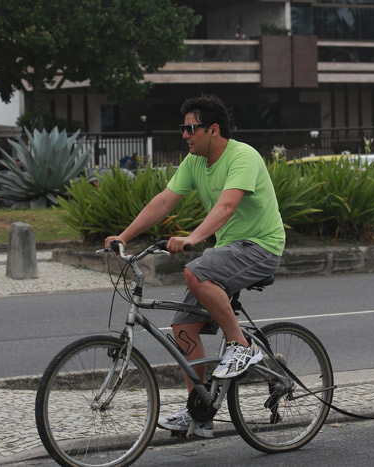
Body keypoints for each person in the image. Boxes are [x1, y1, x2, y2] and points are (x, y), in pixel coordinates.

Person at [104, 94, 285, 438]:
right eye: (183, 128)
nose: (185, 135)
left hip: (261, 246)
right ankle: (199, 413)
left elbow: (228, 206)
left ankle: (242, 348)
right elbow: (164, 201)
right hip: (231, 249)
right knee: (183, 328)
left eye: (191, 128)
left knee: (197, 270)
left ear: (213, 130)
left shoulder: (242, 156)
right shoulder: (193, 163)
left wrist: (193, 238)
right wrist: (123, 237)